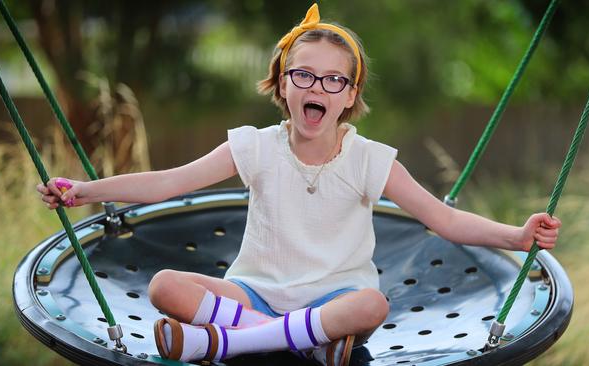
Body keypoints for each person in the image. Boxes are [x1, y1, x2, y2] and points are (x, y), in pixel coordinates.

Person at [37, 4, 561, 366]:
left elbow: (443, 218)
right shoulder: (256, 147)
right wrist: (85, 190)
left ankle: (229, 345)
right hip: (253, 294)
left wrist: (518, 237)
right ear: (282, 83)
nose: (318, 87)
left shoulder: (369, 160)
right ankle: (305, 346)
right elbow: (171, 182)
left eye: (334, 79)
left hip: (334, 299)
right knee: (164, 286)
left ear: (350, 94)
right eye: (304, 75)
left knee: (371, 305)